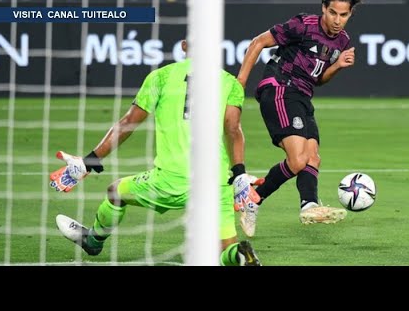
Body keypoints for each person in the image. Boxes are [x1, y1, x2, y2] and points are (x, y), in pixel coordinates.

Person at [50, 40, 261, 266]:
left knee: (116, 192)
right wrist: (239, 173)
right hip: (216, 183)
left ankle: (93, 241)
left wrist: (90, 160)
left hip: (170, 180)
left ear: (183, 46)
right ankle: (240, 255)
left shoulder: (160, 77)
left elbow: (128, 123)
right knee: (226, 250)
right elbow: (233, 129)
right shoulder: (230, 82)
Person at [235, 0, 366, 237]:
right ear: (323, 9)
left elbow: (318, 78)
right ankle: (252, 198)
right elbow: (257, 42)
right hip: (280, 88)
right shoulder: (303, 25)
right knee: (297, 160)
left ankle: (308, 205)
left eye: (343, 15)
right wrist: (240, 83)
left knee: (313, 158)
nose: (337, 20)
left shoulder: (343, 41)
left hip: (303, 96)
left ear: (350, 15)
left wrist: (337, 66)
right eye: (333, 13)